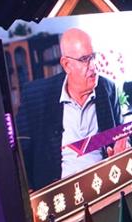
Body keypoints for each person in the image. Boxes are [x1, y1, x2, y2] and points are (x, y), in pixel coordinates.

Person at [16, 27, 126, 190]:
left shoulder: (108, 89)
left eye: (93, 57)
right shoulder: (37, 95)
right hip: (58, 193)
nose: (93, 66)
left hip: (105, 185)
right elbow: (20, 150)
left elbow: (122, 136)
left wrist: (122, 148)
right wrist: (28, 192)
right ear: (66, 65)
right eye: (85, 59)